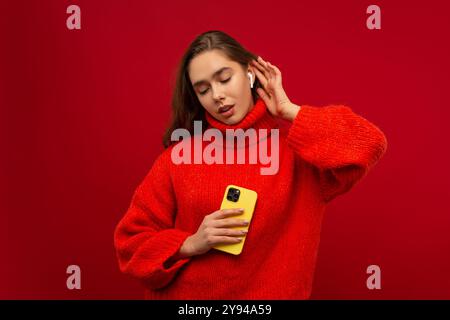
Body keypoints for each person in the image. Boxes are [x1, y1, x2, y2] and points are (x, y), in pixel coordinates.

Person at [113, 30, 388, 299]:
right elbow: (131, 243)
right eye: (203, 89)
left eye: (224, 78)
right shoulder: (178, 158)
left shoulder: (298, 153)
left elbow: (369, 144)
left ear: (249, 72)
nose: (217, 95)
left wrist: (289, 110)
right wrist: (190, 243)